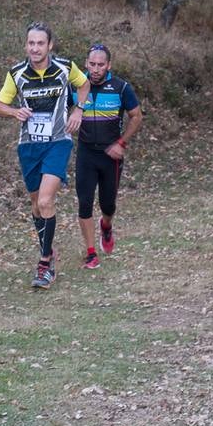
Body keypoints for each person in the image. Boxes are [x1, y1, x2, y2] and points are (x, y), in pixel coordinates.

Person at [0, 21, 89, 289]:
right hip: (29, 146)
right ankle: (48, 248)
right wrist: (14, 112)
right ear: (26, 45)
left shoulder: (65, 68)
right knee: (36, 205)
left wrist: (78, 110)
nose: (35, 48)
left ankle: (45, 263)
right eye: (31, 43)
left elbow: (84, 85)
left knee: (46, 201)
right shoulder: (16, 74)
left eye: (40, 43)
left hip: (58, 142)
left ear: (50, 45)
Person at [75, 43, 143, 269]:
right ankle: (91, 252)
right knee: (84, 202)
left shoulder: (121, 87)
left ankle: (106, 226)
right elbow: (61, 111)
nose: (95, 69)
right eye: (92, 64)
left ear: (109, 65)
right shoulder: (77, 86)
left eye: (100, 65)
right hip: (85, 152)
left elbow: (136, 116)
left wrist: (121, 142)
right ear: (86, 64)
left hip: (110, 155)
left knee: (108, 205)